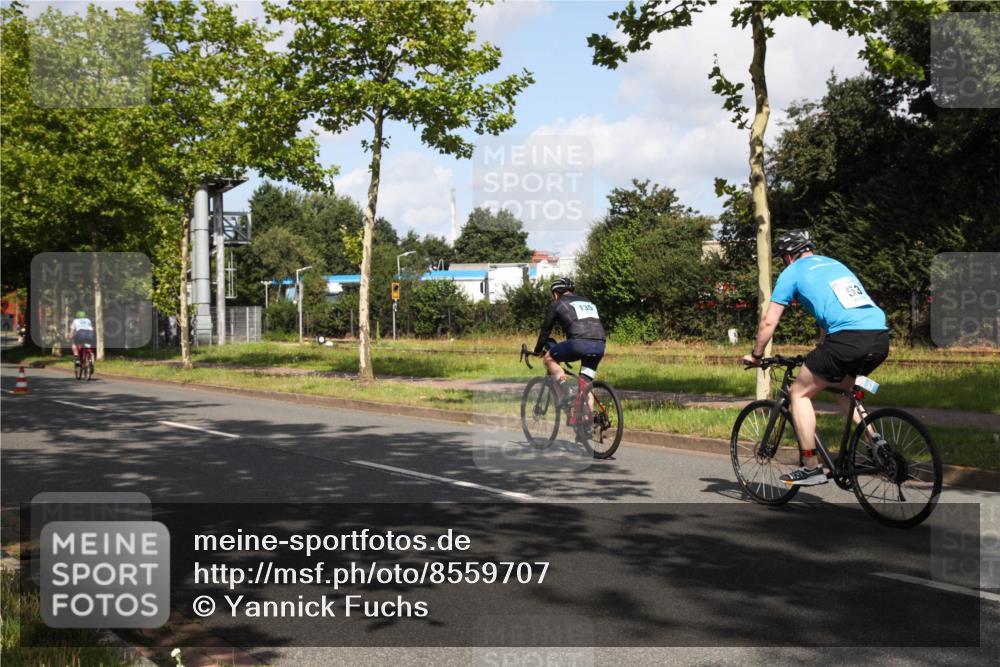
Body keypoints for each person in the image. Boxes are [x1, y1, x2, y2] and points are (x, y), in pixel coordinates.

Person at [742, 230, 889, 486]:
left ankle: (810, 465)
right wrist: (821, 348)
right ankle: (877, 444)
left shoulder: (792, 272)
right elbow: (831, 316)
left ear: (788, 256)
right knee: (844, 389)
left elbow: (769, 321)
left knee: (799, 393)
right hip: (879, 336)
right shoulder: (835, 264)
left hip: (847, 339)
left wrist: (756, 355)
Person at [534, 277, 606, 406]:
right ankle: (587, 423)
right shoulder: (588, 301)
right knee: (585, 385)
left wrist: (537, 350)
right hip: (600, 345)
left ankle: (566, 389)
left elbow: (546, 330)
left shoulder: (558, 303)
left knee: (549, 358)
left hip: (578, 344)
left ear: (555, 294)